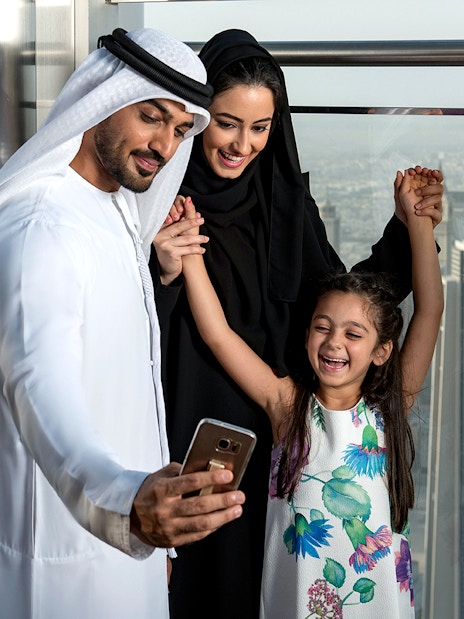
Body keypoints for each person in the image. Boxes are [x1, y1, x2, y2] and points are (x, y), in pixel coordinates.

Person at [150, 29, 444, 618]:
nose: (242, 144)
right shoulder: (160, 199)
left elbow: (345, 301)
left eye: (260, 128)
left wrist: (408, 229)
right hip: (191, 427)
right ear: (198, 115)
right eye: (227, 122)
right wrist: (162, 270)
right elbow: (132, 324)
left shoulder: (285, 204)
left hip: (290, 449)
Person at [0, 28, 246, 619]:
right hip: (65, 550)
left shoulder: (110, 207)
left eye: (180, 130)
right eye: (151, 117)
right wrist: (125, 502)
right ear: (103, 100)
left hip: (125, 538)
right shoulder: (42, 224)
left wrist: (145, 523)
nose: (164, 145)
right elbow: (38, 385)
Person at [180, 166, 444, 618]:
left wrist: (418, 223)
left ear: (382, 351)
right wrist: (188, 255)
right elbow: (218, 335)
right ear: (306, 337)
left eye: (353, 333)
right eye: (322, 327)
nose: (334, 341)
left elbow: (429, 309)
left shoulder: (390, 408)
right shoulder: (286, 404)